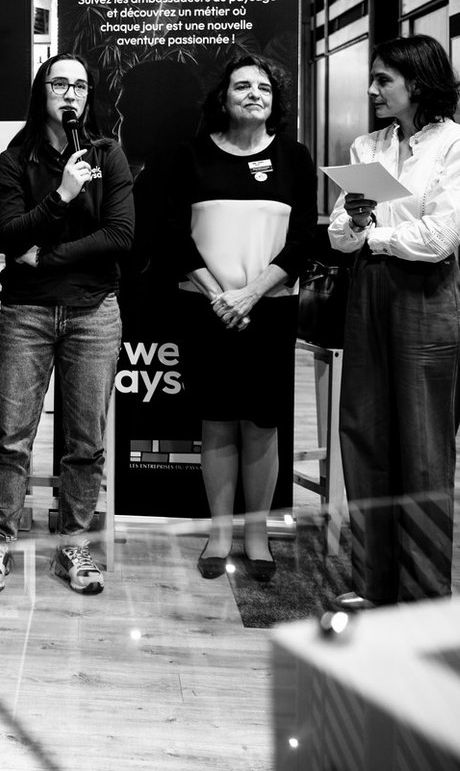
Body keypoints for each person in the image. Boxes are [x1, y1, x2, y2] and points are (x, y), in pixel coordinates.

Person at [0, 53, 133, 595]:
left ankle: (74, 543)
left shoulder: (108, 155)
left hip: (93, 311)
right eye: (59, 83)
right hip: (27, 312)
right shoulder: (14, 159)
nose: (70, 94)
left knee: (85, 441)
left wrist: (47, 256)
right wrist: (63, 195)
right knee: (10, 438)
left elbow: (119, 236)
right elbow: (10, 236)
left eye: (80, 86)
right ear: (42, 91)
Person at [162, 56, 316, 581]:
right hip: (206, 308)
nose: (254, 93)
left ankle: (256, 535)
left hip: (269, 309)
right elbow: (172, 235)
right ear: (223, 98)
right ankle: (220, 533)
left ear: (275, 100)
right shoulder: (191, 155)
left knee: (262, 422)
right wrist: (220, 296)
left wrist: (249, 294)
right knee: (217, 419)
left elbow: (303, 240)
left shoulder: (295, 157)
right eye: (242, 86)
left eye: (264, 87)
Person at [328, 34, 460, 608]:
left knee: (424, 446)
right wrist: (357, 225)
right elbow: (340, 235)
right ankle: (372, 584)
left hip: (427, 295)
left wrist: (374, 234)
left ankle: (423, 596)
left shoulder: (454, 144)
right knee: (364, 434)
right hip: (369, 291)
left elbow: (439, 238)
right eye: (373, 78)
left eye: (384, 79)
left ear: (419, 83)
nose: (372, 89)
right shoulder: (367, 146)